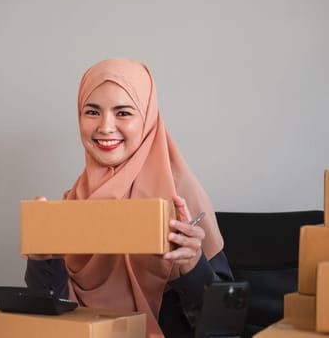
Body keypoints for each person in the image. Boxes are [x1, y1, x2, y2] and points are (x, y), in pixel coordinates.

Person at [24, 58, 233, 338]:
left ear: (147, 118)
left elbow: (226, 327)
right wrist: (43, 259)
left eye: (123, 113)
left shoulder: (182, 199)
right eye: (92, 112)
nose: (106, 127)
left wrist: (192, 266)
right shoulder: (74, 203)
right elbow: (49, 322)